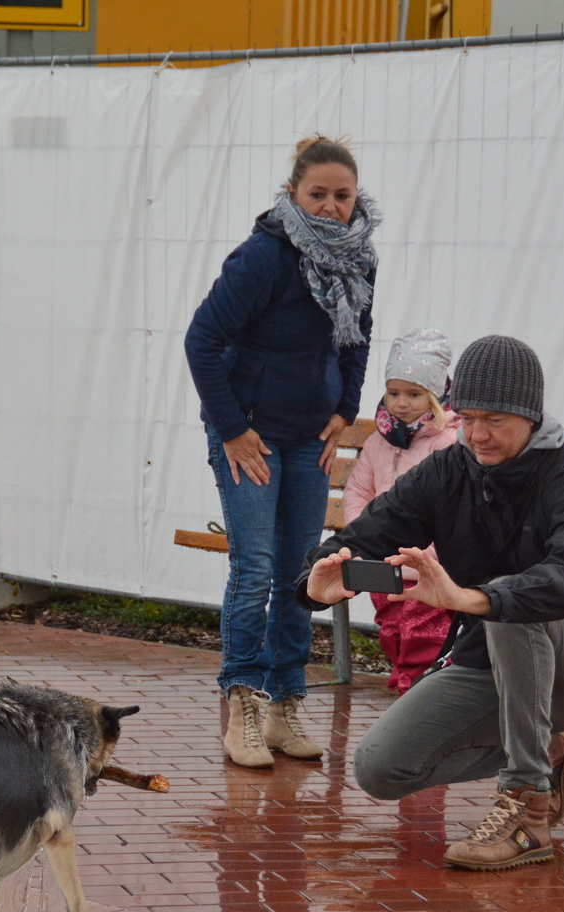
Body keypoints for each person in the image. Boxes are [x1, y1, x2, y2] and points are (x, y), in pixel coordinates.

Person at [299, 335, 564, 870]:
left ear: (531, 416)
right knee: (382, 769)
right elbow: (374, 529)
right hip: (499, 656)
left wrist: (472, 598)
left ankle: (526, 810)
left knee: (514, 599)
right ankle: (548, 747)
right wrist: (318, 577)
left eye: (496, 420)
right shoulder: (449, 469)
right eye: (466, 418)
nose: (478, 435)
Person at [185, 135, 379, 770]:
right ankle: (242, 700)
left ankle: (285, 705)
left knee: (302, 571)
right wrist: (232, 428)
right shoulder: (264, 256)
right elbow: (202, 340)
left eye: (341, 196)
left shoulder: (359, 257)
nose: (329, 207)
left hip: (307, 439)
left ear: (356, 199)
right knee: (256, 567)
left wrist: (344, 410)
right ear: (293, 193)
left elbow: (357, 339)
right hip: (252, 438)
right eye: (316, 194)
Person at [341, 329, 463, 695]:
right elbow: (358, 490)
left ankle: (421, 684)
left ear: (436, 394)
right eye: (393, 393)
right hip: (383, 557)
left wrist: (434, 552)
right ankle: (402, 673)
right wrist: (364, 533)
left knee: (424, 627)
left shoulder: (447, 441)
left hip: (426, 560)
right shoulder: (380, 442)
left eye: (413, 394)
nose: (402, 403)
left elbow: (452, 503)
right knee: (390, 622)